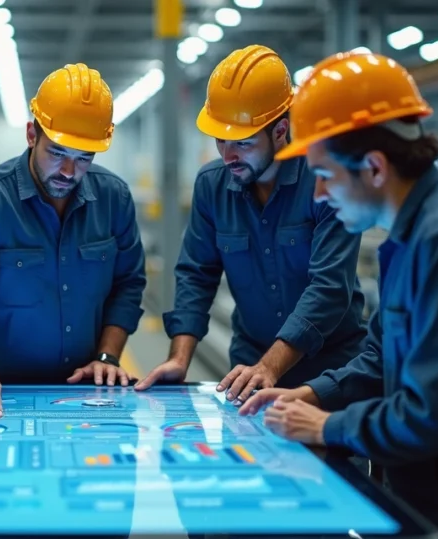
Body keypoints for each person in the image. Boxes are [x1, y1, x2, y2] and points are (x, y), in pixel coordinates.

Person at [239, 51, 438, 538]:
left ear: (373, 167)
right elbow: (379, 355)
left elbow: (433, 414)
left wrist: (326, 427)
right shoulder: (406, 239)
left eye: (324, 176)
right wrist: (312, 394)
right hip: (431, 499)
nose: (319, 195)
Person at [136, 45, 367, 404]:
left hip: (329, 370)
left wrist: (271, 367)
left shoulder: (323, 178)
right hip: (249, 366)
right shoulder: (212, 184)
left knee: (329, 460)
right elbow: (197, 274)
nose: (228, 156)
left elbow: (330, 288)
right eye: (220, 141)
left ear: (280, 131)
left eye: (242, 143)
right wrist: (179, 358)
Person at [0, 63, 147, 418]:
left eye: (83, 158)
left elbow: (128, 283)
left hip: (86, 392)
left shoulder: (114, 199)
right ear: (32, 134)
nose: (68, 172)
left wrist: (107, 355)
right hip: (0, 390)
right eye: (57, 153)